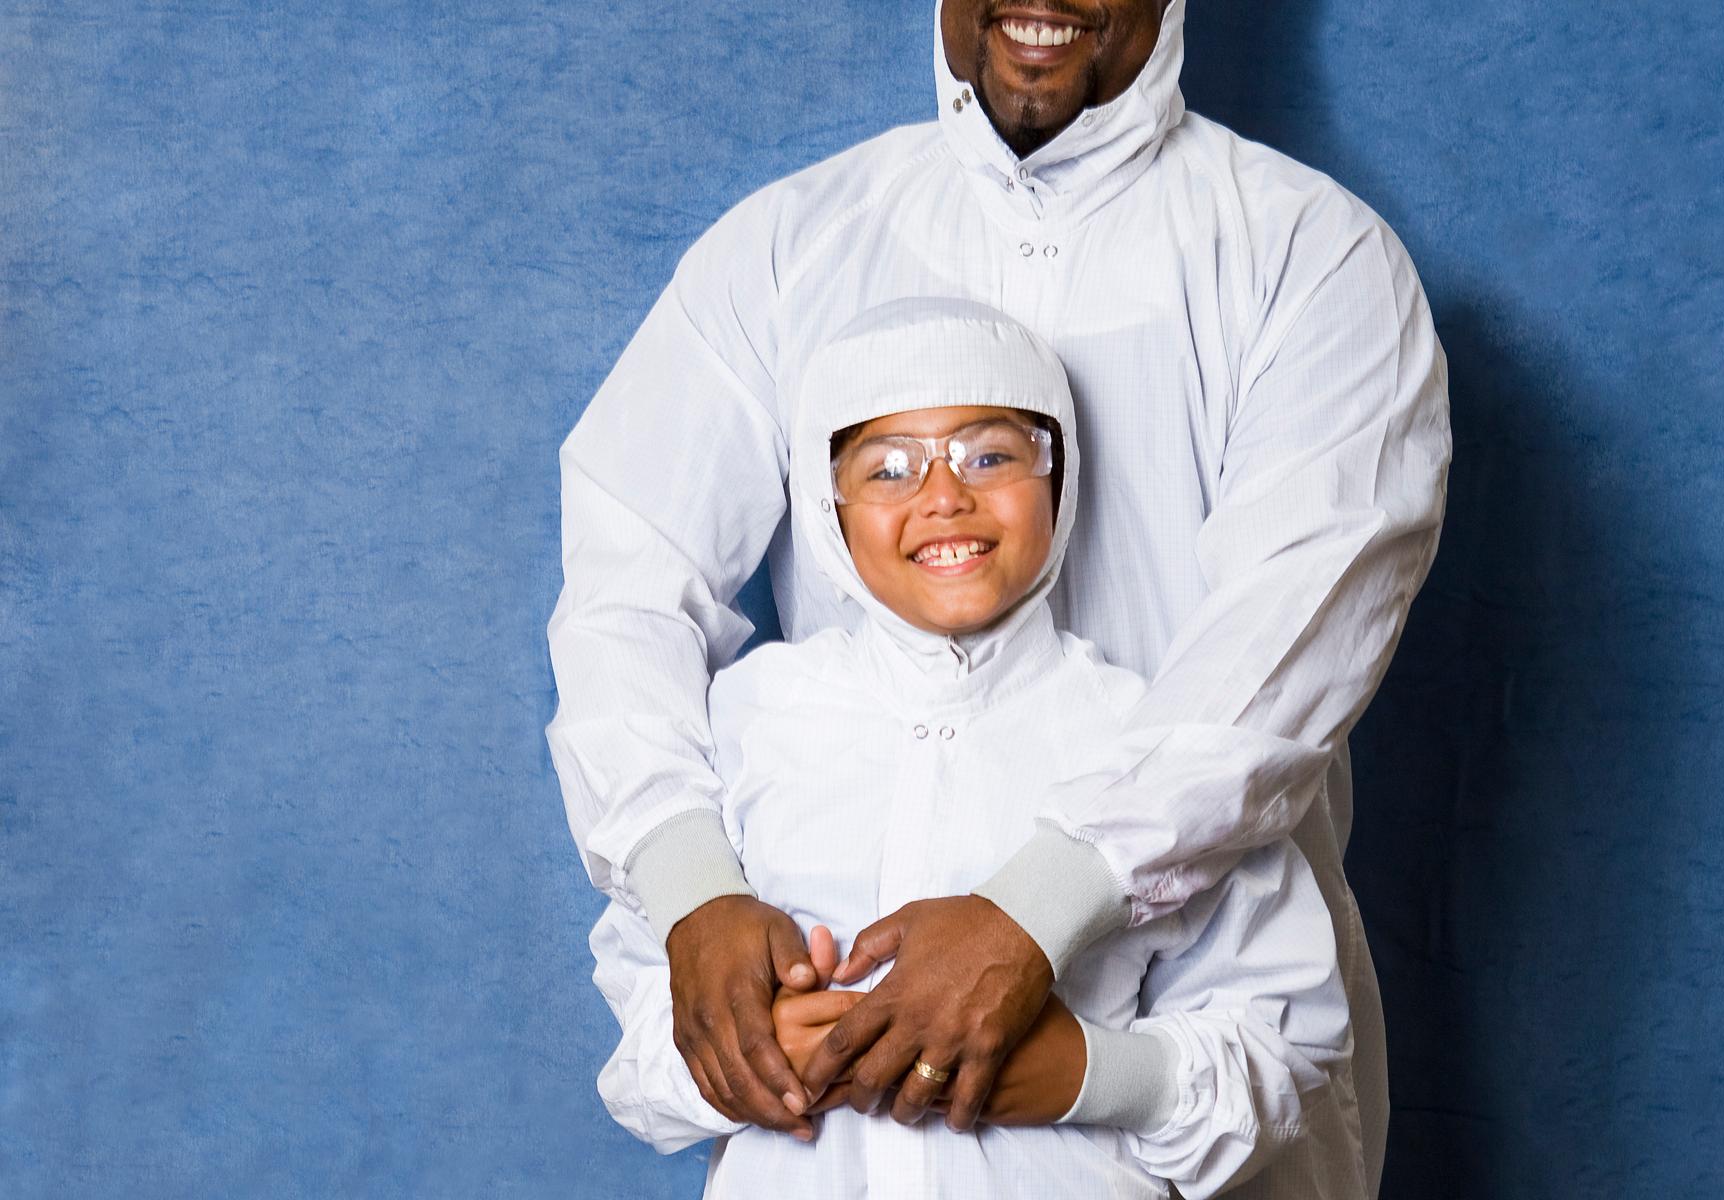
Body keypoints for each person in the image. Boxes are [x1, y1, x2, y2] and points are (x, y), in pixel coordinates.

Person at [545, 2, 1450, 1193]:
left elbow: (1289, 641)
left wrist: (1036, 910)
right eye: (887, 469)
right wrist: (693, 894)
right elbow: (627, 585)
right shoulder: (784, 251)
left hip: (1203, 1063)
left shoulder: (1311, 257)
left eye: (989, 459)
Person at [592, 298, 1363, 1198]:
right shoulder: (746, 722)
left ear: (1059, 472)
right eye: (887, 469)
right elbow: (643, 1046)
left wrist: (1088, 1073)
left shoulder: (1154, 744)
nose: (943, 496)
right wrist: (749, 1055)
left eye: (990, 455)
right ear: (824, 501)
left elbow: (1287, 1049)